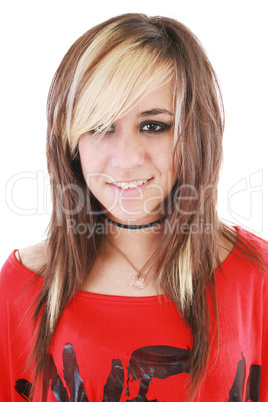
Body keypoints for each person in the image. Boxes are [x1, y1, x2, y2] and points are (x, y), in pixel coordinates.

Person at [0, 13, 267, 402]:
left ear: (196, 133)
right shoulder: (22, 286)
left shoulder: (255, 276)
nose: (126, 160)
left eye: (154, 126)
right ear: (71, 143)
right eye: (101, 126)